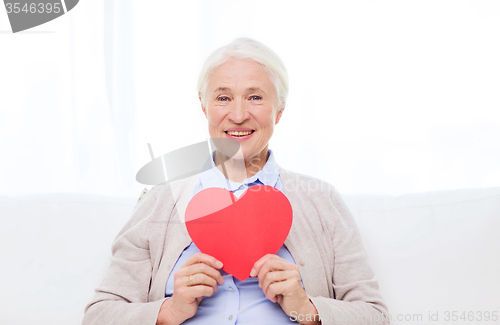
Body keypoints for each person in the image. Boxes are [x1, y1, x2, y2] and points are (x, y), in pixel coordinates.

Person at [82, 38, 389, 325]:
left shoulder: (322, 201)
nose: (239, 115)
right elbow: (99, 315)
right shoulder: (161, 201)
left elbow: (375, 315)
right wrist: (170, 311)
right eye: (223, 98)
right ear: (204, 106)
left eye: (255, 97)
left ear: (279, 110)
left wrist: (306, 308)